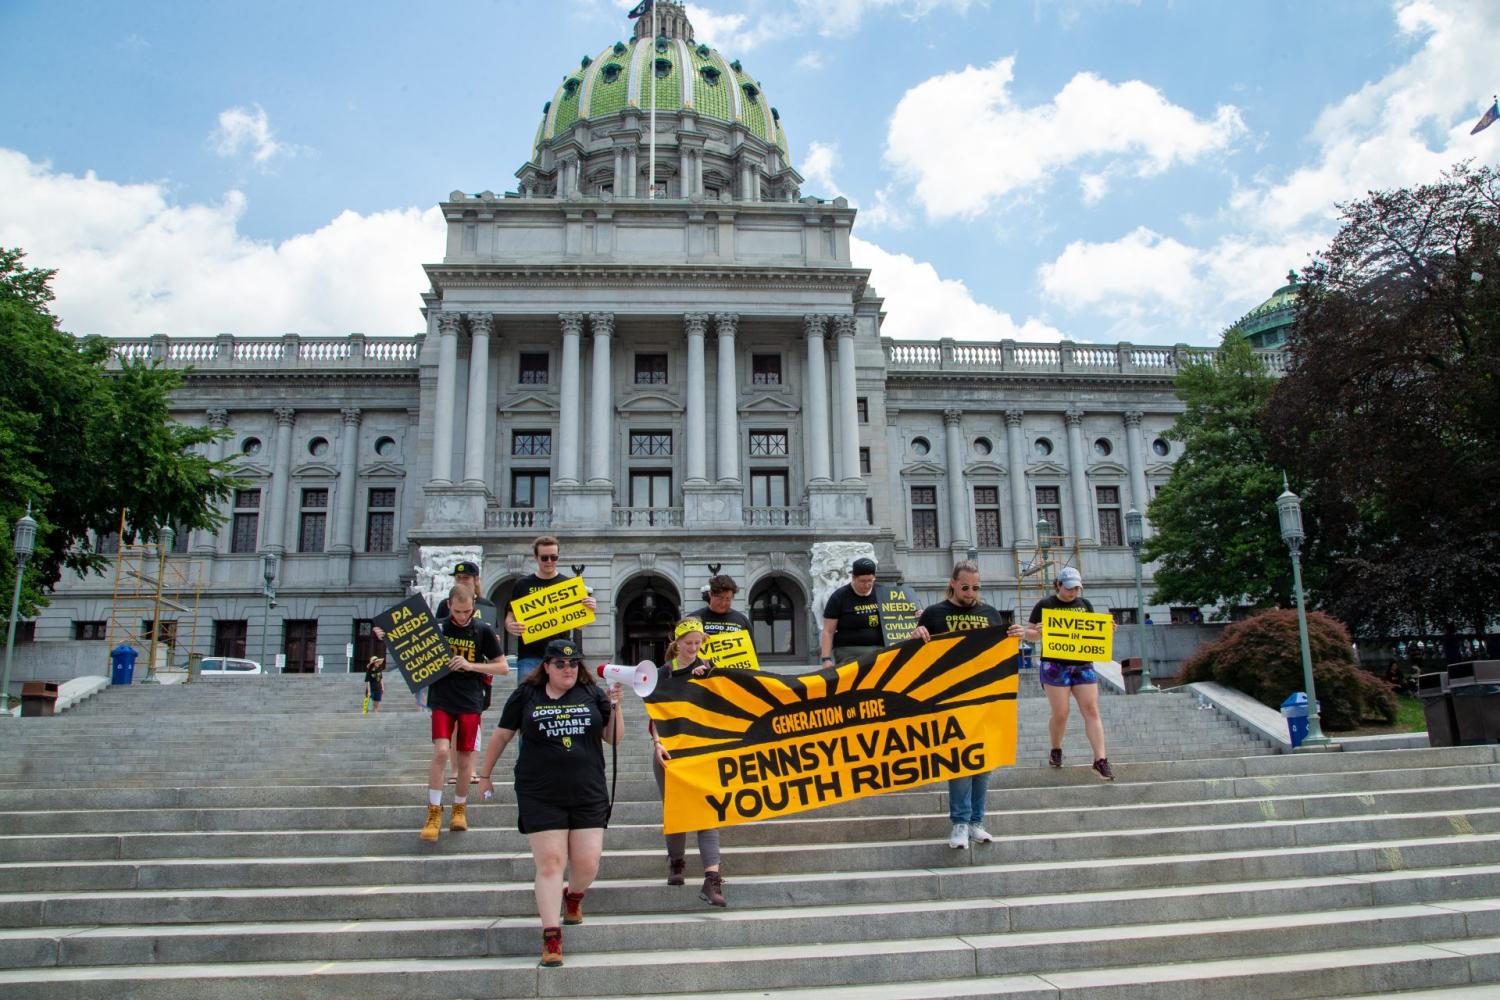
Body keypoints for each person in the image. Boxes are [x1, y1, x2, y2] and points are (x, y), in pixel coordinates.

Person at [477, 637, 624, 968]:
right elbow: (502, 735)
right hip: (539, 791)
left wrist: (616, 706)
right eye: (560, 663)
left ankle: (573, 897)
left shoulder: (591, 693)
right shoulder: (526, 695)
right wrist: (484, 774)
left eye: (573, 663)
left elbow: (613, 738)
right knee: (550, 863)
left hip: (587, 791)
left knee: (587, 864)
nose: (568, 669)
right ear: (546, 667)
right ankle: (551, 935)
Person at [912, 561, 1007, 848]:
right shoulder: (934, 614)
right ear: (952, 583)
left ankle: (977, 822)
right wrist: (915, 636)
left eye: (976, 588)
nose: (970, 593)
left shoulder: (990, 614)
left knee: (983, 764)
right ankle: (960, 823)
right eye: (965, 587)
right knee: (961, 762)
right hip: (951, 698)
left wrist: (1018, 636)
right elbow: (915, 658)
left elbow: (1000, 655)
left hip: (986, 697)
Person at [419, 586, 510, 841]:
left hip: (470, 700)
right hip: (442, 699)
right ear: (449, 605)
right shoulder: (437, 628)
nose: (462, 617)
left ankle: (460, 808)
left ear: (474, 607)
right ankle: (434, 810)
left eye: (467, 611)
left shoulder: (482, 630)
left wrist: (471, 665)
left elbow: (503, 667)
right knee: (440, 752)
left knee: (466, 759)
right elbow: (408, 646)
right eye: (458, 611)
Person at [648, 617, 727, 907]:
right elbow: (655, 713)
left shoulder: (709, 668)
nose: (694, 648)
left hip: (701, 750)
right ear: (677, 643)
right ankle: (677, 863)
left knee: (707, 814)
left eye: (698, 643)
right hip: (669, 750)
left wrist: (712, 679)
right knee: (677, 812)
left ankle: (712, 879)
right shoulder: (663, 673)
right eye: (689, 643)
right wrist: (657, 743)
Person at [1009, 567, 1113, 780]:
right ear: (1058, 585)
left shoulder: (1085, 605)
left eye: (1076, 588)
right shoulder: (1045, 605)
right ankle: (1056, 748)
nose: (1073, 592)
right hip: (1055, 664)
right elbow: (1029, 634)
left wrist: (1106, 629)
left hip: (1082, 663)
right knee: (1061, 712)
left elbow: (1091, 632)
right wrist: (1038, 632)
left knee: (1091, 709)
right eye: (1069, 588)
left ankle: (1100, 759)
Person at [505, 535, 599, 679]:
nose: (549, 561)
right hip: (530, 656)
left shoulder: (568, 585)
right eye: (544, 558)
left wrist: (590, 609)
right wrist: (510, 626)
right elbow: (510, 617)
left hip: (561, 657)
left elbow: (580, 626)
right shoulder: (522, 585)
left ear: (558, 557)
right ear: (536, 557)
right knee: (528, 700)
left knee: (560, 700)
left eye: (553, 557)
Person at [820, 557, 883, 667]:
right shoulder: (839, 597)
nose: (867, 585)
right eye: (863, 581)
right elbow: (828, 631)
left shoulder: (883, 593)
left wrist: (915, 614)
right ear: (853, 578)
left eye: (870, 581)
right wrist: (826, 659)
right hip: (848, 651)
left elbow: (899, 614)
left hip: (880, 649)